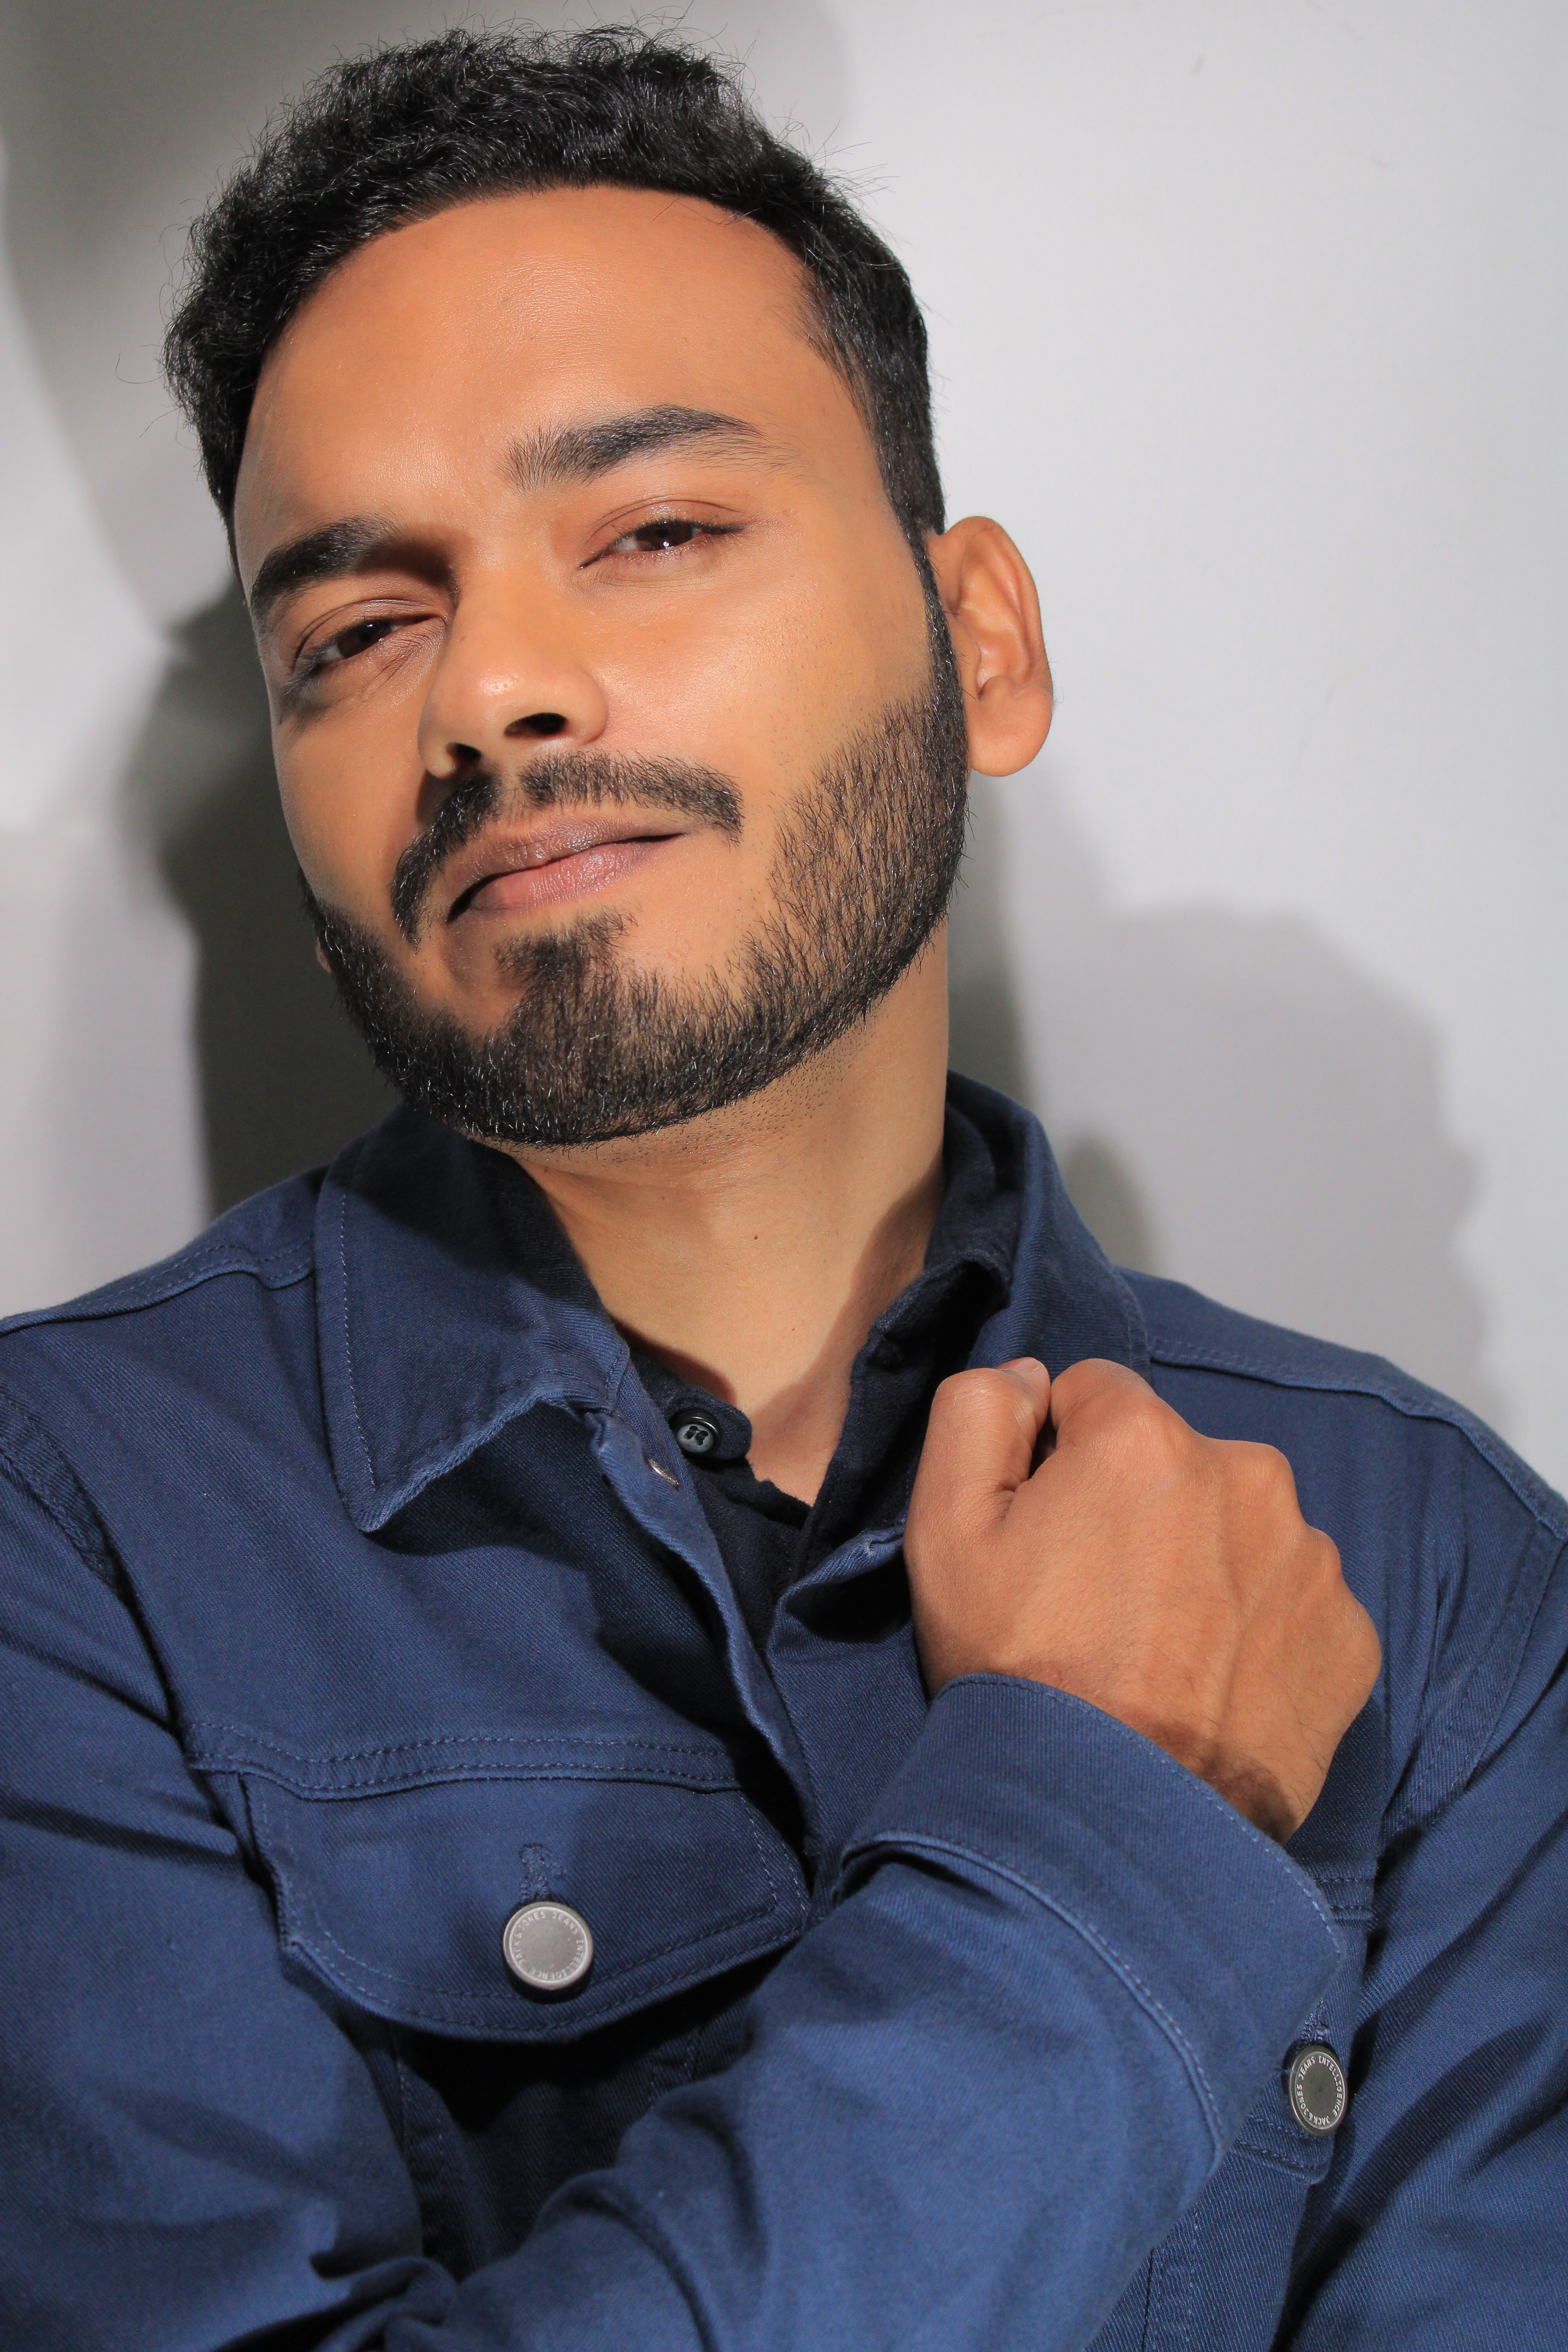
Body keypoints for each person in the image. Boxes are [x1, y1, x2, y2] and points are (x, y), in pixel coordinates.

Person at [0, 24, 1562, 2350]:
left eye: (651, 531)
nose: (490, 692)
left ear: (981, 645)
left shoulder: (1428, 1562)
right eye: (356, 632)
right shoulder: (67, 1534)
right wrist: (1105, 1830)